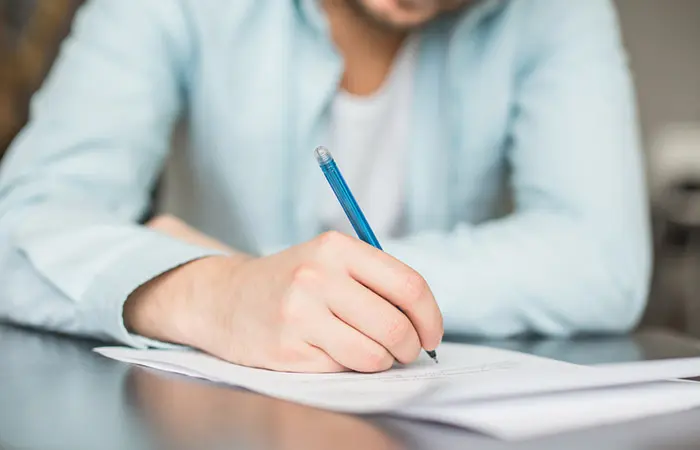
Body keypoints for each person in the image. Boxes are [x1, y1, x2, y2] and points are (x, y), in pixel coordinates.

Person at [0, 0, 651, 373]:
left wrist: (294, 286)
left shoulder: (558, 12)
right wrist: (211, 293)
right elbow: (20, 227)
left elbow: (601, 261)